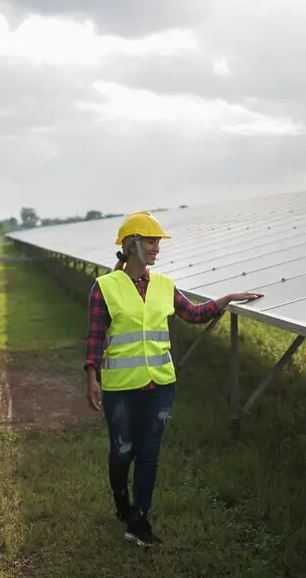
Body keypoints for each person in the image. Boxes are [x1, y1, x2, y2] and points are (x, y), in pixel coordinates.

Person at [84, 211, 262, 546]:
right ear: (133, 244)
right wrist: (91, 375)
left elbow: (192, 313)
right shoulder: (104, 287)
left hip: (160, 386)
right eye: (151, 241)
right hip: (121, 389)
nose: (156, 248)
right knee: (122, 452)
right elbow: (95, 336)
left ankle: (139, 523)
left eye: (157, 242)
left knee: (149, 453)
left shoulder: (165, 286)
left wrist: (224, 300)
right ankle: (122, 500)